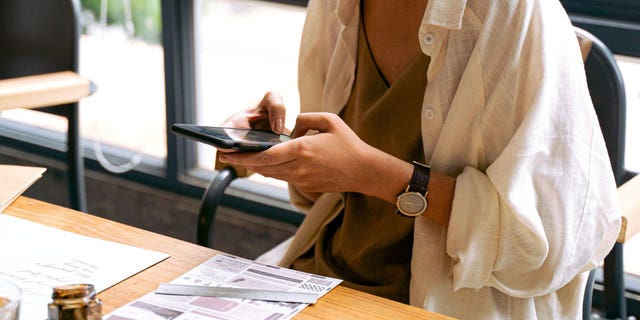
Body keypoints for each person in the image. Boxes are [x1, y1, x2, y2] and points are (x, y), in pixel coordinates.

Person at [218, 0, 622, 318]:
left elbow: (548, 247)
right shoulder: (335, 5)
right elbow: (318, 195)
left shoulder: (510, 12)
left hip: (446, 304)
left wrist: (373, 175)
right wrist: (283, 150)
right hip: (318, 279)